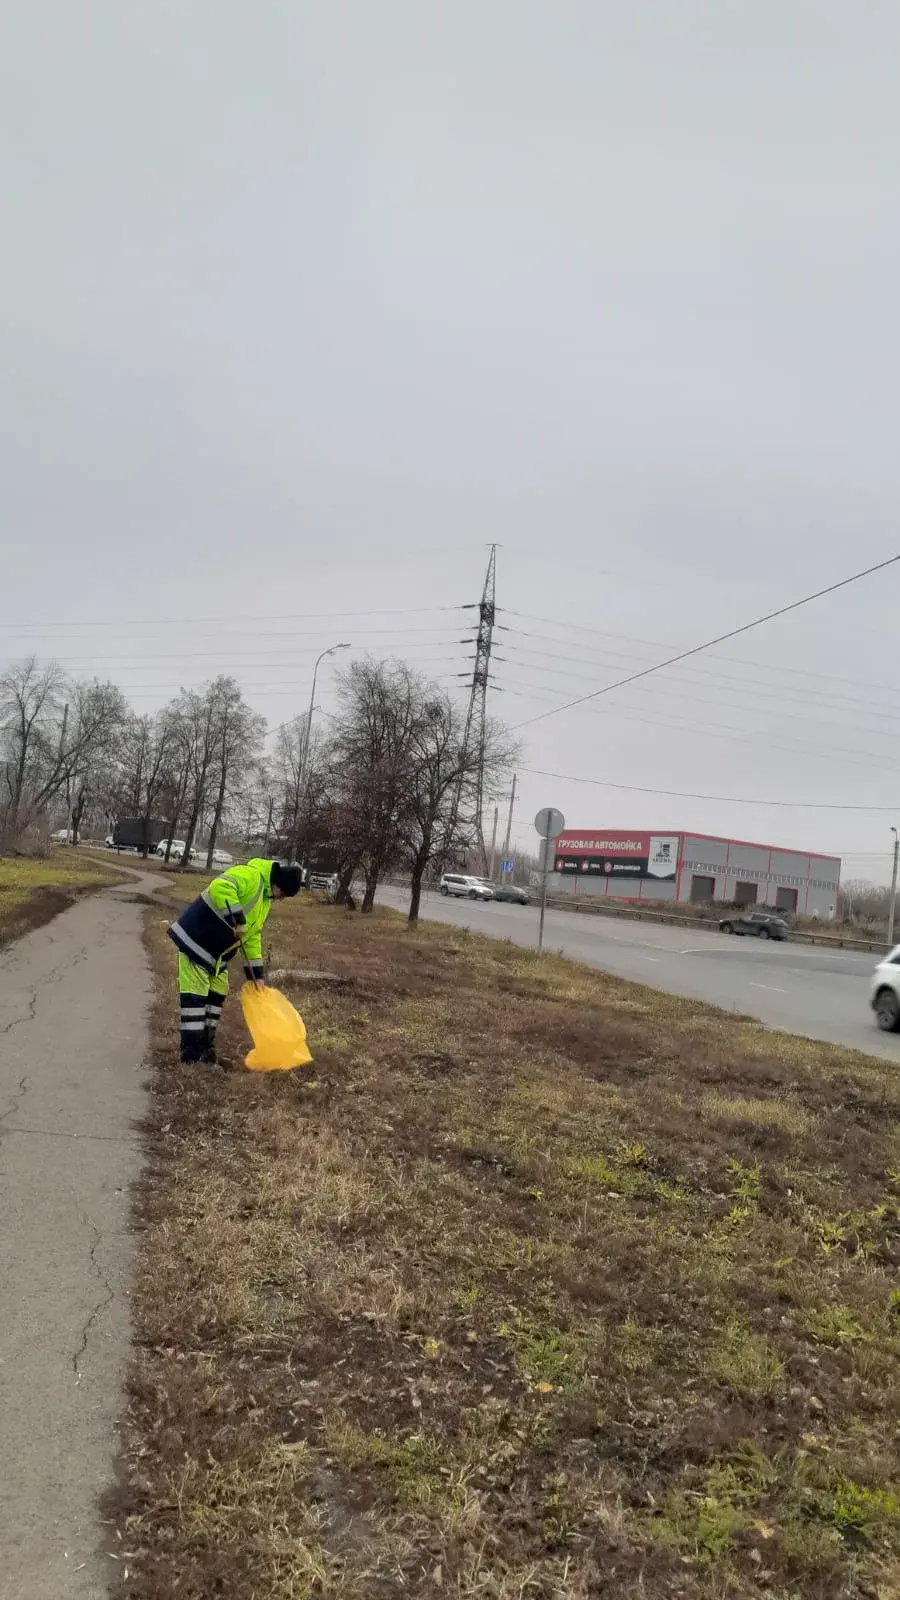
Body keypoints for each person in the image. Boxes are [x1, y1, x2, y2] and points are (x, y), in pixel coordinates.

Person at [167, 857, 302, 1065]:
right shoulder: (251, 876)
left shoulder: (266, 900)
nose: (281, 899)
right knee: (195, 1000)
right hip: (197, 941)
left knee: (217, 994)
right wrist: (237, 919)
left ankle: (206, 1050)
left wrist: (257, 978)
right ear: (278, 884)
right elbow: (220, 886)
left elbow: (252, 937)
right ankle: (191, 1059)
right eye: (283, 894)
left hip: (216, 953)